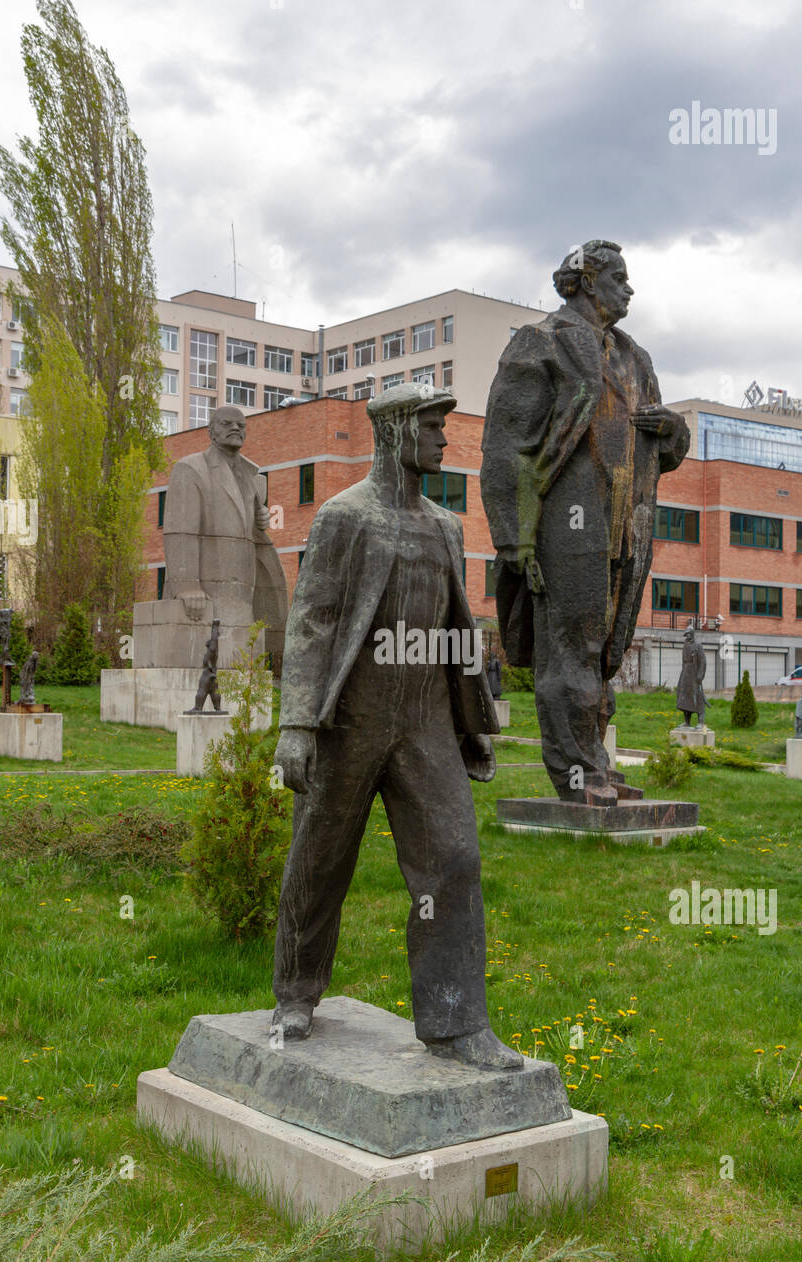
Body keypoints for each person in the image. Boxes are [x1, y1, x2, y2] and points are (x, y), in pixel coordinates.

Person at [271, 383, 520, 1070]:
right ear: (396, 432)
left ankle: (456, 1023)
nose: (446, 439)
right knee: (319, 862)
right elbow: (313, 620)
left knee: (455, 860)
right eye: (435, 426)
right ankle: (295, 992)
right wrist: (297, 724)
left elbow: (454, 628)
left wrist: (473, 724)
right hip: (349, 717)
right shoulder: (342, 518)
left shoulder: (445, 526)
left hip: (424, 723)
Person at [481, 240, 690, 805]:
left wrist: (673, 431)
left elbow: (666, 447)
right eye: (618, 278)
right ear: (586, 280)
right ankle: (575, 774)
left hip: (625, 524)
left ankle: (596, 762)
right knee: (570, 647)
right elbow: (506, 448)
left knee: (606, 650)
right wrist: (514, 536)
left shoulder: (634, 356)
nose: (628, 288)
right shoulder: (541, 342)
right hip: (567, 524)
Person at [162, 405, 288, 657]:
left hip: (243, 592)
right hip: (206, 591)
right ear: (211, 431)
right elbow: (180, 531)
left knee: (242, 669)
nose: (235, 429)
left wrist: (259, 521)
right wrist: (187, 586)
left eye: (241, 426)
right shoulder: (191, 469)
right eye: (227, 424)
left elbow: (244, 528)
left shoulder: (254, 478)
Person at [676, 624, 709, 727]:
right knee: (684, 697)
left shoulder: (698, 646)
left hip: (694, 675)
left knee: (698, 697)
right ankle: (687, 722)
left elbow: (703, 661)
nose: (687, 636)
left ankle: (701, 722)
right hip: (685, 674)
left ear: (693, 634)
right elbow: (683, 662)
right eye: (686, 635)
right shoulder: (685, 646)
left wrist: (700, 675)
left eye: (689, 634)